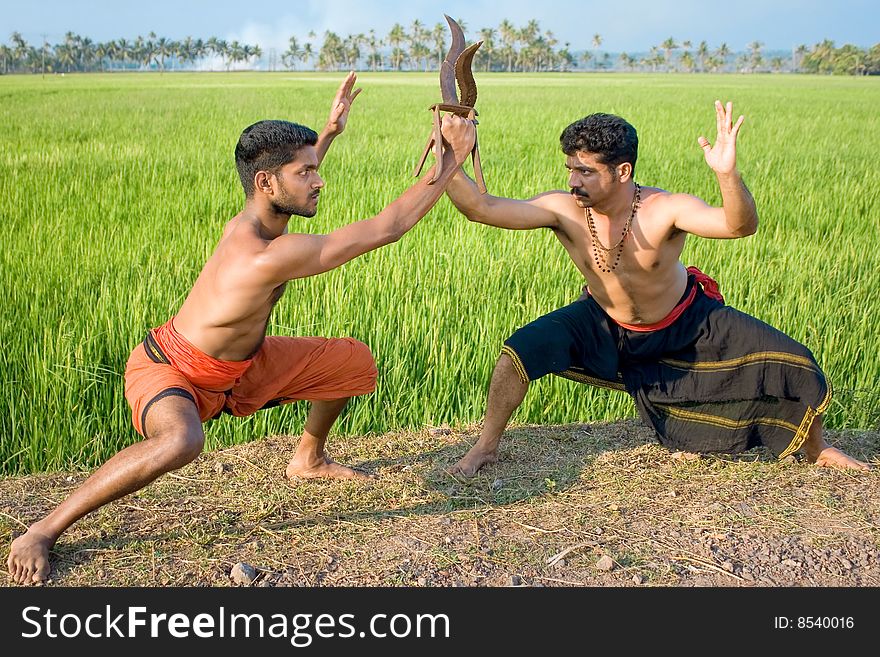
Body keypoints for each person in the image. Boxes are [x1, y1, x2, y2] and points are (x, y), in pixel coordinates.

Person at [7, 72, 476, 585]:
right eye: (306, 172)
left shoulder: (260, 215)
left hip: (240, 366)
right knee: (181, 442)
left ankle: (309, 458)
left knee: (352, 361)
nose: (318, 180)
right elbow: (387, 227)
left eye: (315, 169)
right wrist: (452, 156)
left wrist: (329, 134)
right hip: (173, 370)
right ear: (266, 183)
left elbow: (285, 185)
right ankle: (42, 530)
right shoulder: (262, 255)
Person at [444, 100, 871, 477]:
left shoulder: (664, 209)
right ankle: (486, 447)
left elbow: (739, 226)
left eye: (586, 172)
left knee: (792, 359)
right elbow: (481, 208)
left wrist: (727, 174)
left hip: (685, 321)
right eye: (570, 169)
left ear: (623, 170)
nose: (574, 181)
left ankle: (816, 449)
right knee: (517, 353)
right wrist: (451, 156)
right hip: (603, 319)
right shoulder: (562, 209)